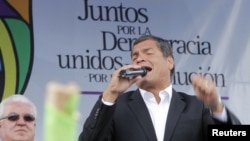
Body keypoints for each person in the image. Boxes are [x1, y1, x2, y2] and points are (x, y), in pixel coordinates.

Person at [78, 34, 241, 141]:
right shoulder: (116, 106)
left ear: (169, 62)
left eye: (148, 53)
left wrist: (217, 106)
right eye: (135, 57)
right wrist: (110, 94)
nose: (139, 59)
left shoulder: (198, 107)